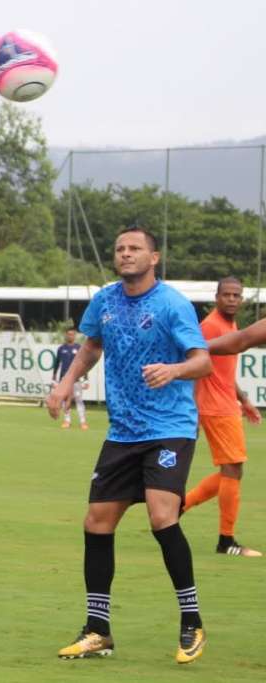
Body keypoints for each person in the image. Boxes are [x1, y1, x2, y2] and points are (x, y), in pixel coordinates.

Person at [45, 225, 211, 664]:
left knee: (162, 516)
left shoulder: (173, 304)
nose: (125, 254)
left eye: (135, 248)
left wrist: (173, 371)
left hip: (169, 426)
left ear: (154, 257)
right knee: (96, 523)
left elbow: (203, 360)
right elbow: (91, 346)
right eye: (119, 248)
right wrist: (65, 385)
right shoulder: (105, 300)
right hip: (123, 432)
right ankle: (97, 630)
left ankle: (191, 621)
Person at [183, 277, 262, 557]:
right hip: (215, 407)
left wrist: (243, 399)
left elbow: (223, 371)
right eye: (226, 294)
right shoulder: (210, 326)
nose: (231, 299)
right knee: (233, 469)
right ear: (216, 297)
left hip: (227, 404)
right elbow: (195, 363)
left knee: (232, 471)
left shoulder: (230, 325)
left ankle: (179, 506)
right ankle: (226, 541)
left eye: (236, 295)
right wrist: (191, 409)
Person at [53, 327, 89, 430]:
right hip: (64, 379)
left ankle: (83, 422)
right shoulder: (61, 348)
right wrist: (54, 378)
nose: (70, 336)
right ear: (66, 335)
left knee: (79, 400)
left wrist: (86, 379)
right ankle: (67, 420)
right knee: (65, 400)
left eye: (72, 334)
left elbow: (84, 363)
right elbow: (56, 364)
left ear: (75, 335)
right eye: (68, 334)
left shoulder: (79, 348)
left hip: (76, 378)